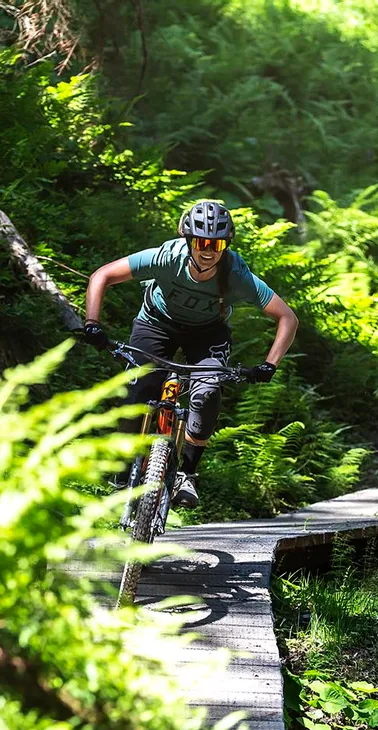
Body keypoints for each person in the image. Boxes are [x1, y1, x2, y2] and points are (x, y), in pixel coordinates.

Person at [83, 199, 298, 508]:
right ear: (188, 239)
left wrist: (269, 364)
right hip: (156, 324)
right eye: (201, 241)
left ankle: (187, 474)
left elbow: (287, 317)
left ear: (226, 244)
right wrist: (92, 323)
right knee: (139, 389)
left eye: (217, 243)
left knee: (208, 392)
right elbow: (102, 275)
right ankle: (122, 469)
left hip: (207, 332)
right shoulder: (166, 257)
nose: (208, 249)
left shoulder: (235, 273)